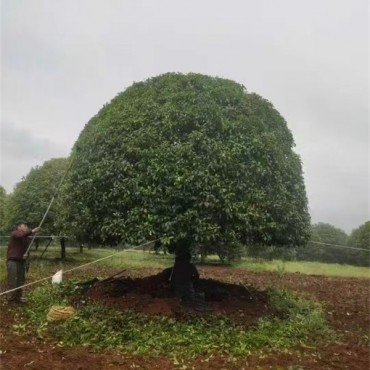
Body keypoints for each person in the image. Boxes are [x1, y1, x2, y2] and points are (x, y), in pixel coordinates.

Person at [7, 223, 40, 303]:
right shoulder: (15, 234)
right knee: (13, 280)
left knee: (20, 280)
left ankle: (18, 297)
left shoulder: (25, 238)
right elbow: (21, 235)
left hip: (21, 261)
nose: (27, 228)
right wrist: (32, 231)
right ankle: (12, 299)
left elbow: (25, 249)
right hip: (13, 261)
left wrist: (25, 255)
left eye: (27, 227)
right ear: (19, 227)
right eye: (25, 226)